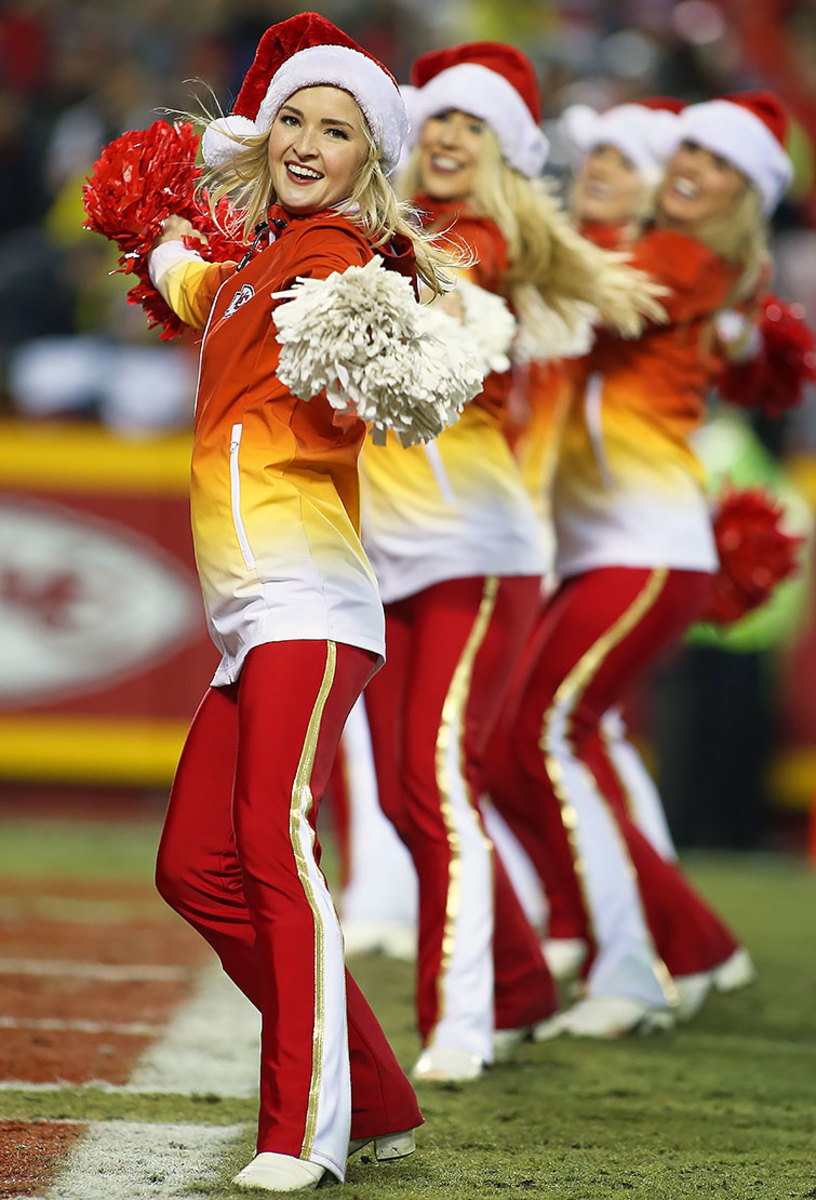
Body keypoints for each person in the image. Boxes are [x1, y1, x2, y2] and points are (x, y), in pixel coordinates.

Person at [146, 12, 461, 1193]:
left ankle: (303, 1132)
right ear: (264, 127)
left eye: (340, 127)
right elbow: (189, 281)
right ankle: (376, 1094)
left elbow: (385, 328)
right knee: (194, 868)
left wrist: (382, 306)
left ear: (369, 157)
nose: (309, 139)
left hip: (312, 605)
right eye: (294, 116)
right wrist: (159, 233)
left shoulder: (340, 258)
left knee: (274, 852)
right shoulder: (243, 279)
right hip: (252, 621)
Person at [359, 41, 665, 1081]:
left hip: (471, 556)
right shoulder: (390, 229)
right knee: (407, 797)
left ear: (501, 155)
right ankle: (527, 987)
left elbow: (432, 278)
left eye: (472, 127)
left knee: (436, 780)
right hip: (386, 554)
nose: (446, 137)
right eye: (436, 118)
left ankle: (463, 1020)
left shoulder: (477, 240)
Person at [501, 92, 791, 1038]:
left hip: (648, 545)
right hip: (603, 546)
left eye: (714, 158)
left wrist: (487, 222)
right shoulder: (680, 258)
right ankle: (689, 944)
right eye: (688, 147)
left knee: (540, 734)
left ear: (744, 189)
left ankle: (633, 970)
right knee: (534, 740)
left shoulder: (687, 257)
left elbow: (589, 285)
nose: (690, 165)